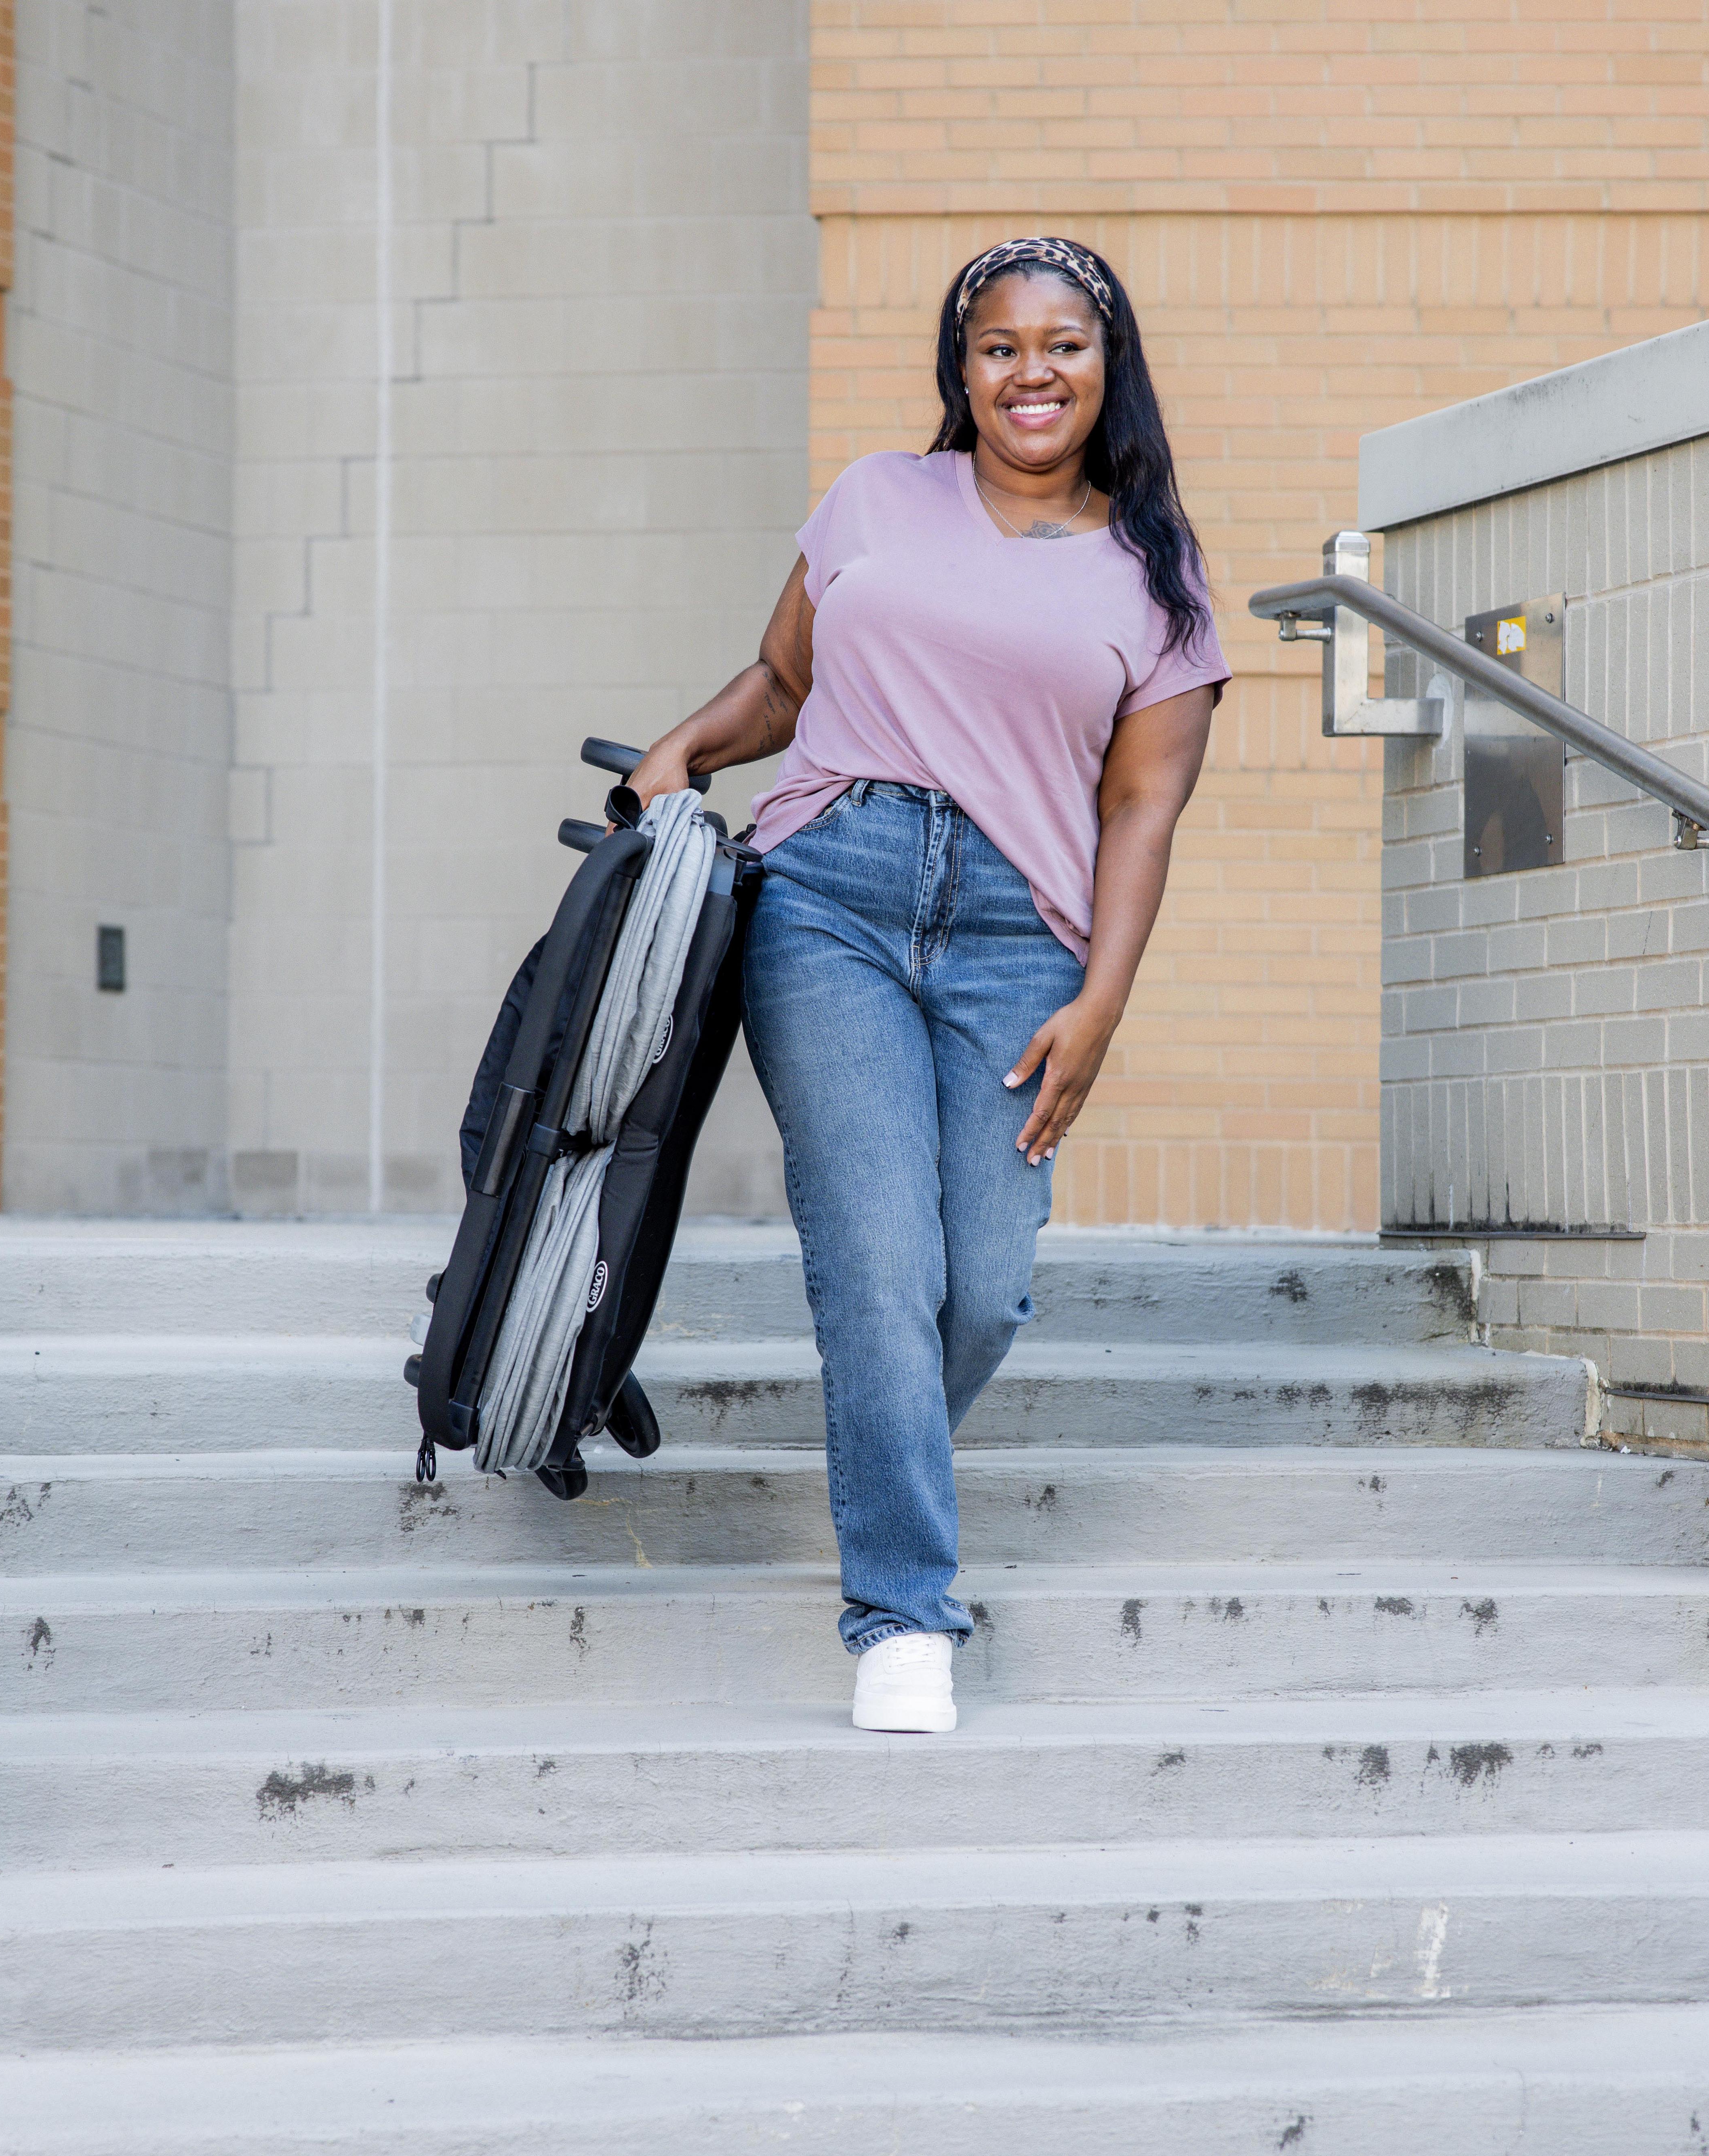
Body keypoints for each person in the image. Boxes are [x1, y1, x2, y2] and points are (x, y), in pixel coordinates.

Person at [630, 235, 1227, 1734]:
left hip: (1020, 941)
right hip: (829, 896)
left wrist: (1103, 998)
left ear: (1110, 365)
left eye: (1064, 345)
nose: (1033, 372)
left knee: (984, 1284)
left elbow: (1141, 812)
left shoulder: (1156, 577)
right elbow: (785, 680)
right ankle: (903, 1611)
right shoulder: (874, 500)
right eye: (1000, 347)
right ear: (962, 372)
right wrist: (687, 749)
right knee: (881, 1267)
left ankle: (876, 1455)